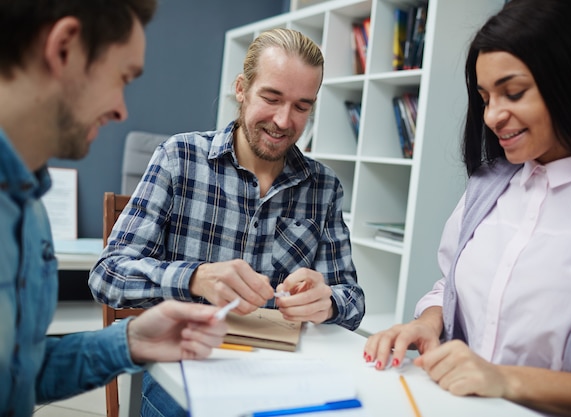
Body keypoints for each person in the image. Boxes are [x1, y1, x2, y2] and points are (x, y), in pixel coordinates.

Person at [363, 0, 571, 416]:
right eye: (485, 97)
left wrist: (505, 379)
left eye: (514, 93)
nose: (492, 116)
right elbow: (448, 285)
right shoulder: (488, 186)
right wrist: (427, 323)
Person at [88, 28, 366, 416]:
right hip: (183, 363)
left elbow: (352, 302)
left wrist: (326, 301)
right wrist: (196, 277)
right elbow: (107, 275)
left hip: (279, 370)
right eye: (272, 98)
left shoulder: (324, 188)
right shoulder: (178, 158)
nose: (284, 120)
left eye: (302, 107)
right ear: (241, 88)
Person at [0, 1, 229, 416]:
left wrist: (131, 340)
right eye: (122, 77)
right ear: (65, 48)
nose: (123, 109)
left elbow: (19, 375)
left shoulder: (29, 209)